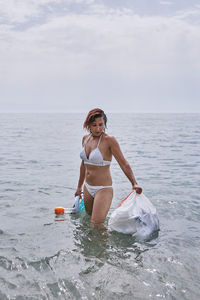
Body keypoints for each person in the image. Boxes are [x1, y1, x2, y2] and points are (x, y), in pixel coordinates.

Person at [75, 108, 142, 230]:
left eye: (101, 125)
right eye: (94, 125)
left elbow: (123, 163)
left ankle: (107, 248)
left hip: (103, 189)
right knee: (89, 219)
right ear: (88, 125)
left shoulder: (109, 140)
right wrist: (79, 187)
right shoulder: (85, 139)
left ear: (104, 124)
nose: (98, 128)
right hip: (88, 187)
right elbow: (83, 165)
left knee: (96, 224)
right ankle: (91, 248)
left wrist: (134, 183)